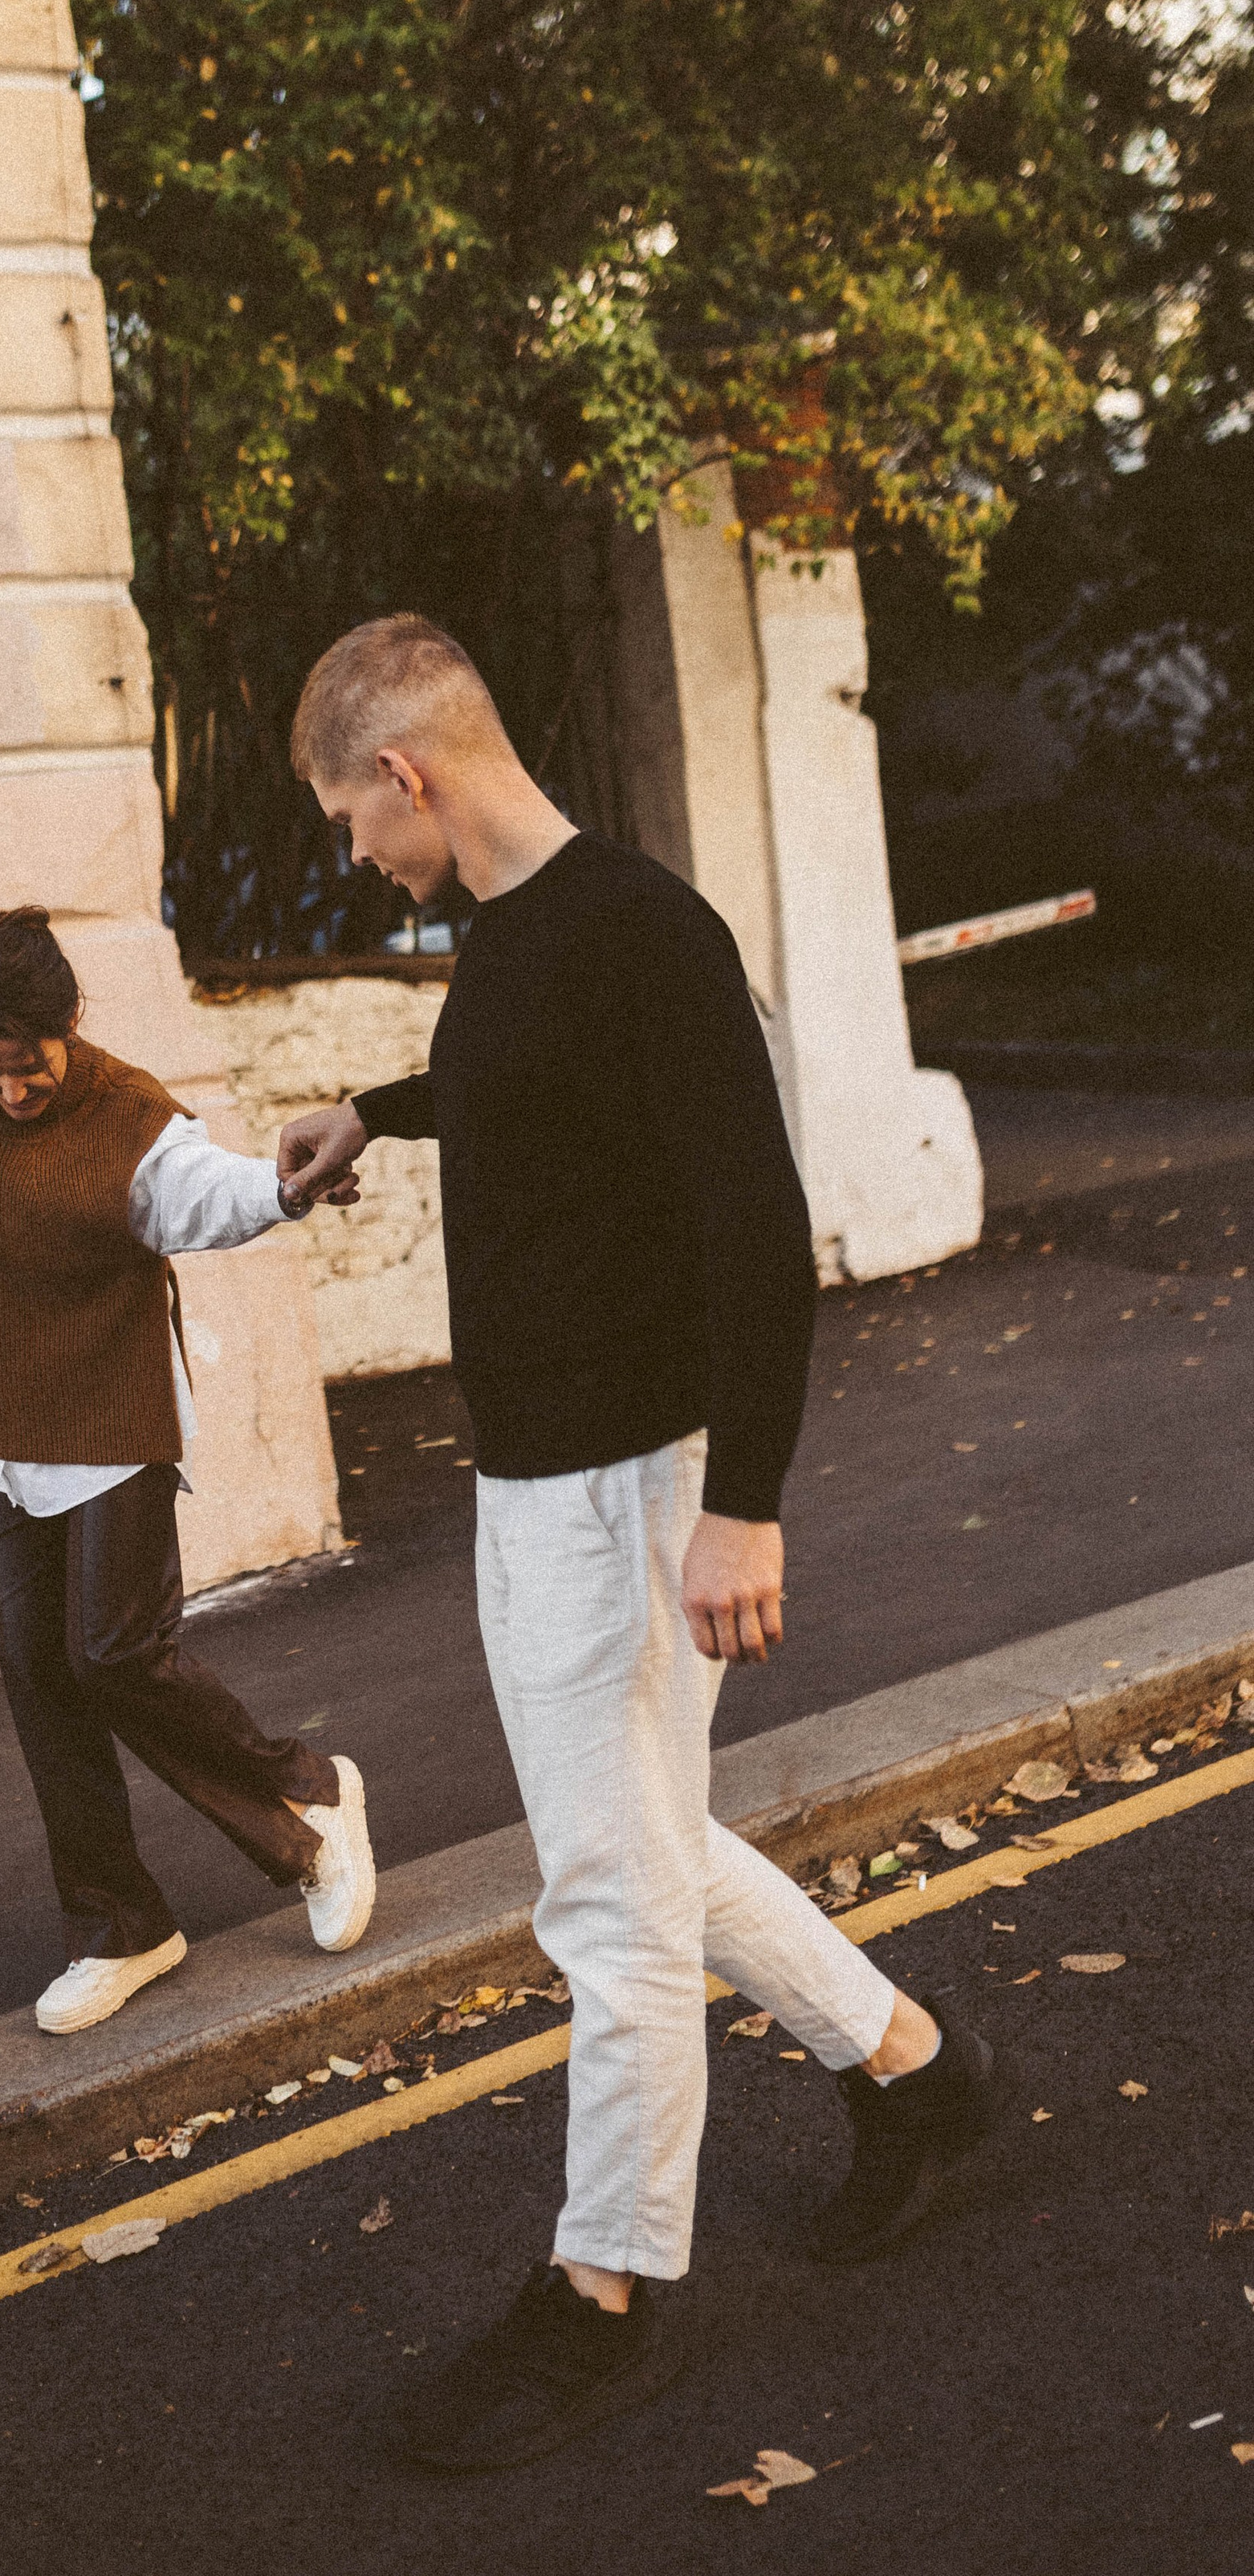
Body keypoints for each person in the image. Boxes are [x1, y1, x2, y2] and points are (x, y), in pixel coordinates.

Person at [275, 616, 1010, 2474]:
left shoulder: (643, 936)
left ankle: (601, 2294)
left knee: (606, 1907)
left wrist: (741, 1506)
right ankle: (918, 2078)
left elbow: (755, 1233)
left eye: (349, 822)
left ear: (405, 775)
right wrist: (373, 1107)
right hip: (537, 1483)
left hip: (629, 1489)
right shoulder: (512, 938)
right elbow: (535, 1098)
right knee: (648, 1846)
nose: (357, 859)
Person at [0, 905, 376, 2036]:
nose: (8, 1093)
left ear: (69, 1026)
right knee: (42, 1680)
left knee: (117, 1653)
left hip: (111, 1419)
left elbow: (206, 1195)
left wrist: (284, 1190)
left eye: (28, 1067)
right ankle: (121, 1926)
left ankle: (307, 1796)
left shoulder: (128, 1116)